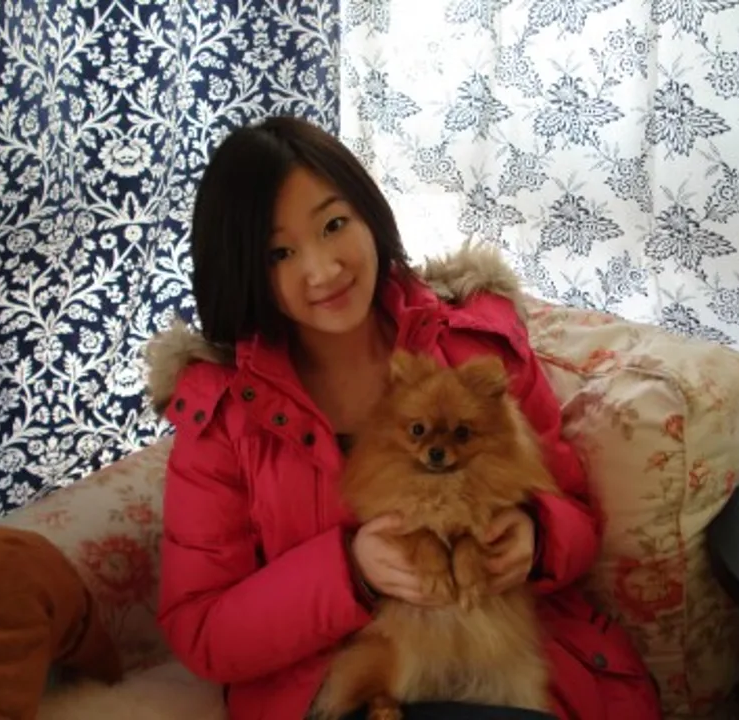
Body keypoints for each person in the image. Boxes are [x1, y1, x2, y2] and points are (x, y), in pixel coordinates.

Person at [146, 115, 662, 720]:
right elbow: (203, 630)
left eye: (334, 225)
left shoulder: (473, 346)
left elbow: (574, 509)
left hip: (508, 664)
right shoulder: (224, 416)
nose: (323, 269)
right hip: (353, 685)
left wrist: (537, 537)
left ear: (369, 214)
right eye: (280, 253)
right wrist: (351, 572)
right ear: (244, 271)